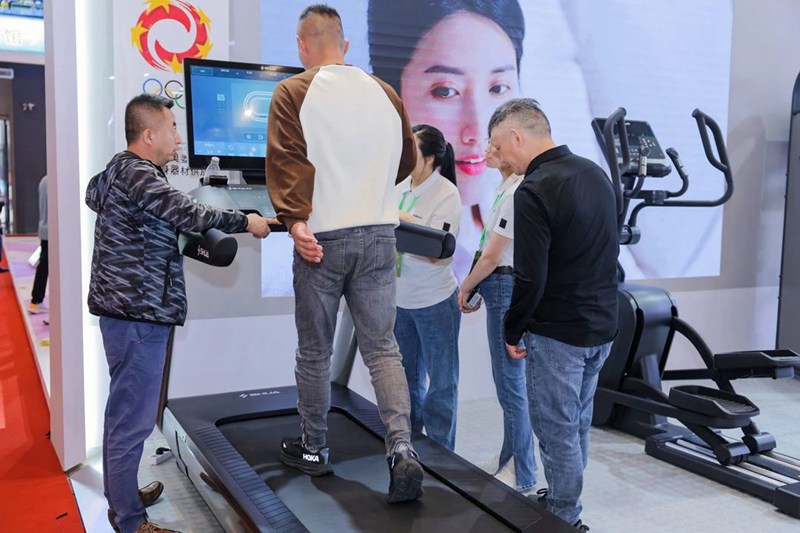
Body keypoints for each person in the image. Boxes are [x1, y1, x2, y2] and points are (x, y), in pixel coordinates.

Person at [86, 93, 273, 533]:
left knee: (126, 415)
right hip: (137, 315)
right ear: (148, 134)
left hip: (131, 314)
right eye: (172, 128)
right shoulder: (136, 173)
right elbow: (185, 211)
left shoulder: (120, 173)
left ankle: (123, 497)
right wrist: (246, 220)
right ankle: (130, 521)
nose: (178, 137)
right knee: (131, 421)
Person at [265, 4, 424, 503]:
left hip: (322, 241)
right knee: (383, 348)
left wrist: (294, 220)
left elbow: (286, 161)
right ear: (345, 43)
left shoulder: (292, 91)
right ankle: (402, 448)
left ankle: (314, 448)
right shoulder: (385, 92)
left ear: (301, 44)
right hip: (379, 236)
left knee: (315, 351)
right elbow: (407, 162)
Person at [488, 98, 618, 531]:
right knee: (576, 422)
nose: (499, 157)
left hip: (559, 334)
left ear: (516, 137)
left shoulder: (534, 188)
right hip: (601, 325)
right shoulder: (594, 173)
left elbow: (530, 276)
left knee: (556, 429)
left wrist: (512, 329)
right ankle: (565, 498)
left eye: (498, 146)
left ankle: (565, 516)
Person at [368, 0, 524, 281]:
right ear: (393, 96)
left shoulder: (515, 204)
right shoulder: (377, 202)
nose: (477, 129)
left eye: (498, 88)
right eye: (445, 91)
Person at [457, 145, 535, 493]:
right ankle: (509, 457)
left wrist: (466, 286)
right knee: (507, 382)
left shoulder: (517, 191)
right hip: (497, 283)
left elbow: (492, 256)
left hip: (504, 283)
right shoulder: (503, 188)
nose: (487, 149)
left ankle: (523, 470)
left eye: (496, 144)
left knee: (510, 383)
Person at [395, 124, 462, 451]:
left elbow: (438, 251)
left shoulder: (446, 193)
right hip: (400, 301)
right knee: (406, 383)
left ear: (431, 158)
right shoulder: (398, 187)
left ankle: (442, 455)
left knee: (441, 385)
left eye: (412, 150)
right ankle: (410, 450)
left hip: (435, 302)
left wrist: (401, 218)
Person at [28, 175, 48, 314]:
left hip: (44, 228)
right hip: (52, 230)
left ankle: (36, 300)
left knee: (44, 267)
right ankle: (36, 300)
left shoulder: (43, 181)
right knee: (46, 267)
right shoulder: (54, 181)